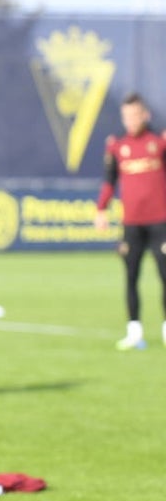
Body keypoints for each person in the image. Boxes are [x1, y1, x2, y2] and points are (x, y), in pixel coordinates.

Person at [94, 92, 166, 351]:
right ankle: (134, 331)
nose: (131, 121)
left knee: (165, 274)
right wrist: (101, 209)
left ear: (145, 115)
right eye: (126, 116)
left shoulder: (159, 142)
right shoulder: (117, 147)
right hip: (132, 224)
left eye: (135, 115)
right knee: (131, 276)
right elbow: (108, 182)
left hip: (161, 222)